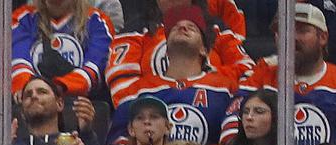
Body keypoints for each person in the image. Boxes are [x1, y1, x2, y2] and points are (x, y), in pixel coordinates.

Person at [221, 3, 336, 145]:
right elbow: (232, 131)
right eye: (284, 30)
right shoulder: (258, 78)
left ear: (323, 37)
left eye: (302, 30)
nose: (291, 37)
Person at [105, 7, 238, 145]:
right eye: (175, 28)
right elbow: (116, 143)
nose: (182, 27)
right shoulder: (138, 90)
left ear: (204, 50)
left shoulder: (225, 88)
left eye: (191, 28)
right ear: (166, 50)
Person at [105, 0, 253, 103]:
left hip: (214, 114)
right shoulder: (134, 31)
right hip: (153, 121)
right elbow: (122, 93)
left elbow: (247, 73)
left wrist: (205, 82)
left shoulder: (216, 29)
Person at [10, 0, 115, 98]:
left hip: (82, 102)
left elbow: (95, 67)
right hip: (33, 102)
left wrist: (58, 87)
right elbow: (19, 62)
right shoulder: (22, 19)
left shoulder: (97, 21)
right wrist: (26, 87)